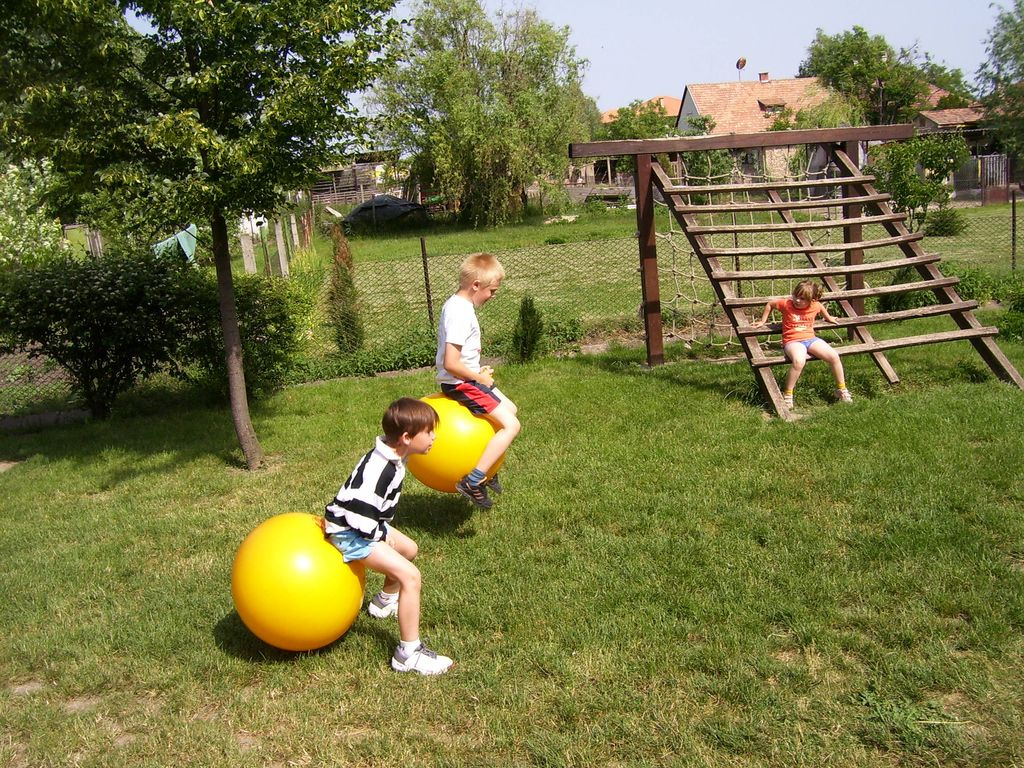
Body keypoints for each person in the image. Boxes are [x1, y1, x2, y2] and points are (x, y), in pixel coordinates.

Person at [324, 397, 454, 676]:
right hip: (350, 534)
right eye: (429, 432)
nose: (434, 437)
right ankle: (408, 654)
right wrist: (381, 535)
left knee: (409, 549)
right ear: (407, 437)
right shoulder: (379, 469)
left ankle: (383, 602)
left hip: (362, 525)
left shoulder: (392, 456)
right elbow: (358, 514)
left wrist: (385, 534)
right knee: (411, 576)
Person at [436, 252, 521, 509]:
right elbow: (451, 363)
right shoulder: (459, 313)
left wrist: (476, 370)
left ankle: (488, 469)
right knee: (512, 426)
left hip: (467, 377)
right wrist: (478, 377)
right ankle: (473, 481)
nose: (493, 296)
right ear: (476, 285)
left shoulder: (459, 306)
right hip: (460, 383)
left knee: (511, 409)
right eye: (492, 291)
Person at [751, 280, 852, 409]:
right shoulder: (786, 304)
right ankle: (787, 394)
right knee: (799, 361)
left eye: (802, 299)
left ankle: (841, 390)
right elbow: (770, 304)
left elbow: (820, 307)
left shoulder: (814, 305)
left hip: (810, 339)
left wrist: (828, 317)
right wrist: (762, 321)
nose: (797, 300)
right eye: (796, 296)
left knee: (834, 356)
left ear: (812, 300)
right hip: (792, 341)